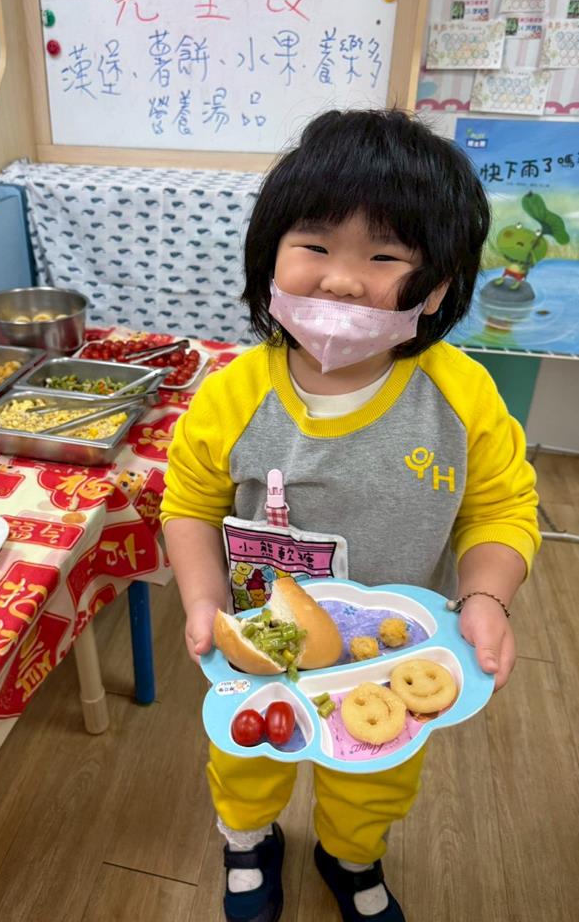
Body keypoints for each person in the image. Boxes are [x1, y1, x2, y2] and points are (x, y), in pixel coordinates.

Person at [159, 109, 540, 922]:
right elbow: (188, 503)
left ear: (436, 285)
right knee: (246, 758)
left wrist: (485, 596)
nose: (340, 280)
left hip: (393, 652)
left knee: (375, 775)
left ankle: (350, 855)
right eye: (315, 246)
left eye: (383, 256)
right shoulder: (231, 395)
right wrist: (201, 598)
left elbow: (499, 507)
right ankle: (245, 842)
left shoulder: (460, 395)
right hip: (260, 640)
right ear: (268, 257)